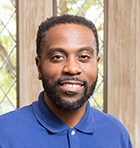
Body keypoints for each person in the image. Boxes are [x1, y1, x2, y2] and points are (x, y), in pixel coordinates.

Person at [0, 15, 132, 148]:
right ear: (39, 67)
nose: (72, 68)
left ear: (96, 64)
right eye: (58, 57)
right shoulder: (4, 132)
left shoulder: (116, 133)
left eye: (84, 56)